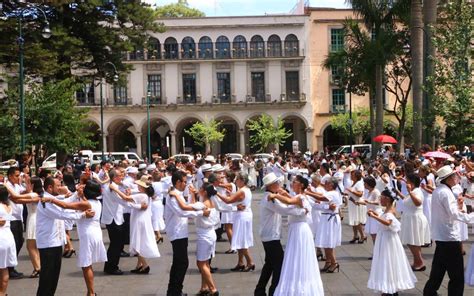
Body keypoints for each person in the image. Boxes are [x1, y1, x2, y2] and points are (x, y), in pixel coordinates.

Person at [36, 177, 95, 296]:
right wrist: (83, 215)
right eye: (58, 185)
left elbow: (65, 203)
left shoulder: (52, 198)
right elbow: (61, 214)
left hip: (56, 242)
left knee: (53, 278)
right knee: (47, 279)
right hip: (48, 244)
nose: (61, 187)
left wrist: (76, 194)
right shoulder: (45, 201)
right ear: (50, 187)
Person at [270, 175, 324, 296]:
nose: (292, 183)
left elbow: (290, 201)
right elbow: (292, 199)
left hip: (300, 230)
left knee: (298, 256)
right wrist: (283, 193)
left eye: (295, 182)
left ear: (301, 185)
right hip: (297, 230)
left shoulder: (301, 197)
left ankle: (300, 287)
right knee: (296, 256)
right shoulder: (300, 197)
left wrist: (275, 195)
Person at [423, 165, 474, 296]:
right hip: (449, 237)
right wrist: (470, 217)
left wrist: (459, 207)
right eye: (454, 176)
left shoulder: (439, 191)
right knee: (456, 274)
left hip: (441, 236)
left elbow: (449, 211)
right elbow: (453, 214)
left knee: (438, 270)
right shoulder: (445, 192)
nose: (456, 177)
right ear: (448, 178)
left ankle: (429, 292)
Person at [254, 173, 307, 296]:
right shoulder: (270, 198)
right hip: (271, 237)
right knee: (279, 265)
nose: (279, 185)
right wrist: (302, 211)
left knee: (269, 264)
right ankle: (274, 291)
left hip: (270, 235)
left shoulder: (272, 196)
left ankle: (260, 290)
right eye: (277, 183)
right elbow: (284, 209)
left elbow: (286, 204)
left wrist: (285, 196)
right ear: (271, 185)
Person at [165, 170, 210, 296]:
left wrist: (192, 195)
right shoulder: (173, 196)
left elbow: (188, 206)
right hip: (176, 232)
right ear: (178, 182)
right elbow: (182, 212)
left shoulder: (177, 194)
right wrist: (201, 212)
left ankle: (174, 290)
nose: (185, 184)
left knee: (178, 263)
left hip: (181, 232)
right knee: (182, 263)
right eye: (184, 181)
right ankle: (175, 291)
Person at [367, 189, 417, 296]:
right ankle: (389, 287)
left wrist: (374, 216)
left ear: (387, 199)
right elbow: (385, 218)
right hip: (385, 238)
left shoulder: (390, 211)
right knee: (388, 262)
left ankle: (389, 287)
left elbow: (388, 222)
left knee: (387, 261)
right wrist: (375, 214)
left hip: (387, 240)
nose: (380, 199)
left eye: (382, 198)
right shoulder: (388, 209)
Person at [4, 166, 39, 279]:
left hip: (18, 218)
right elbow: (16, 197)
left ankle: (10, 267)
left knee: (19, 242)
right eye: (16, 175)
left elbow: (23, 193)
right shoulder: (7, 186)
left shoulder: (16, 185)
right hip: (11, 218)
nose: (18, 178)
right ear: (9, 176)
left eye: (19, 175)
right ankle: (9, 268)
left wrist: (28, 187)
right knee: (14, 243)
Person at [216, 172, 255, 272]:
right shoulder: (246, 190)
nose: (235, 181)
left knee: (241, 240)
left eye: (237, 179)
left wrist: (217, 193)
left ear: (242, 180)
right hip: (245, 214)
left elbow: (228, 201)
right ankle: (240, 262)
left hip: (242, 216)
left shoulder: (241, 191)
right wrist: (232, 195)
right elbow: (237, 199)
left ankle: (250, 262)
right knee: (240, 239)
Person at [395, 173, 430, 271]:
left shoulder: (416, 191)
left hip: (414, 218)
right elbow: (407, 200)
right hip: (410, 217)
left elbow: (418, 202)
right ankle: (417, 261)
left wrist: (410, 191)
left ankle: (420, 262)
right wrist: (398, 193)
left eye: (408, 181)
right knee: (413, 241)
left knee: (412, 242)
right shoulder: (414, 191)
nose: (406, 182)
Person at [128, 176, 160, 274]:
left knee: (136, 242)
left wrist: (116, 190)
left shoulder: (142, 195)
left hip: (139, 220)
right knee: (139, 241)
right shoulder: (146, 195)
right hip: (142, 219)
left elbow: (126, 198)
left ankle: (145, 265)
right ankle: (139, 265)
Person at [314, 177, 343, 273]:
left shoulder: (333, 193)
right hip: (326, 217)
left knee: (329, 241)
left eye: (326, 183)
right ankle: (328, 261)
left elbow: (320, 198)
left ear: (331, 185)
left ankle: (334, 262)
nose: (324, 185)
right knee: (326, 241)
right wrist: (326, 206)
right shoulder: (329, 193)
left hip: (330, 218)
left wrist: (308, 193)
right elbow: (317, 205)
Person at [358, 176, 381, 257]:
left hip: (375, 213)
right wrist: (359, 202)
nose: (364, 185)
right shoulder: (368, 192)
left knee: (375, 235)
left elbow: (378, 202)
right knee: (373, 235)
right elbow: (367, 203)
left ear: (368, 184)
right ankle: (376, 252)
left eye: (365, 183)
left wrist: (369, 201)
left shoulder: (376, 191)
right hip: (370, 214)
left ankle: (377, 253)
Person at [0, 185, 17, 296]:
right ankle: (3, 292)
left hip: (1, 237)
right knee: (4, 268)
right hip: (8, 237)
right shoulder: (8, 206)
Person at [26, 177, 43, 278]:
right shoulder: (39, 193)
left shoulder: (32, 194)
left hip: (33, 219)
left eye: (27, 183)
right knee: (36, 246)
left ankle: (37, 267)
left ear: (32, 185)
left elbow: (16, 197)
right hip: (36, 218)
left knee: (31, 246)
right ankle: (39, 266)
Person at [345, 169, 367, 243]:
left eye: (352, 175)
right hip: (352, 203)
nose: (351, 176)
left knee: (357, 221)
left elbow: (360, 194)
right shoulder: (353, 183)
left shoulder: (359, 183)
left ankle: (363, 235)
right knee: (354, 220)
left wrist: (351, 191)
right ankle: (355, 235)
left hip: (357, 203)